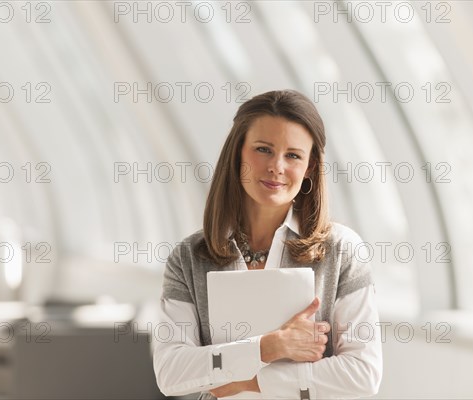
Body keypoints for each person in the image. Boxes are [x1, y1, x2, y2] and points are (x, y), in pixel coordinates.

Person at [152, 89, 382, 399]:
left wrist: (249, 381)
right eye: (263, 149)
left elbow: (362, 374)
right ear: (238, 154)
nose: (276, 166)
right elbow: (171, 372)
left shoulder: (342, 250)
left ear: (310, 167)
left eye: (293, 155)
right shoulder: (189, 257)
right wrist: (270, 347)